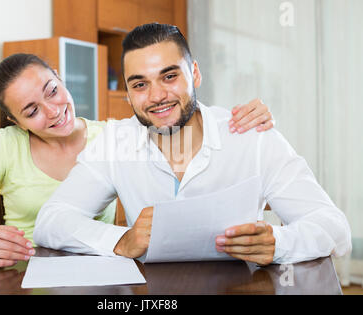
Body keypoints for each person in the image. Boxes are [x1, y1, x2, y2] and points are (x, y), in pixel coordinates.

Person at [33, 23, 352, 266]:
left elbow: (335, 228)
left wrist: (279, 243)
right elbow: (51, 221)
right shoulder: (115, 143)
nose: (157, 96)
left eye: (169, 77)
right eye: (140, 84)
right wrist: (120, 240)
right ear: (128, 95)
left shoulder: (253, 136)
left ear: (195, 73)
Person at [0, 53, 273, 268]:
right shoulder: (5, 145)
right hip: (22, 274)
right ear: (15, 121)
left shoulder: (112, 136)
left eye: (52, 91)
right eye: (31, 111)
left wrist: (232, 122)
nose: (53, 111)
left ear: (61, 79)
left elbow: (174, 120)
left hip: (97, 273)